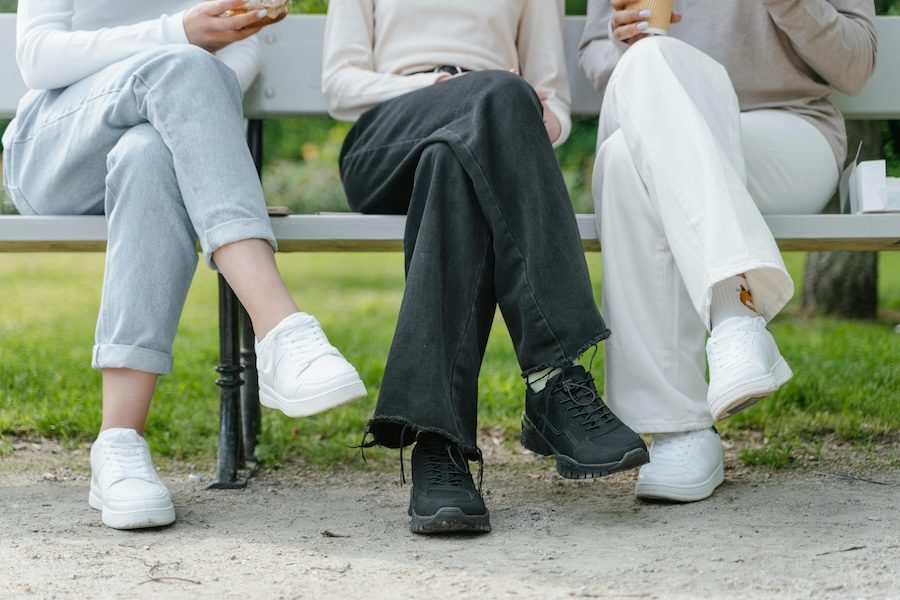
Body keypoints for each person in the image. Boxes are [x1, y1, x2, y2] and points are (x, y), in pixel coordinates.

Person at [2, 0, 367, 530]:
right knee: (184, 64)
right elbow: (37, 58)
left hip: (154, 138)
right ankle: (281, 328)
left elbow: (231, 67)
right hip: (54, 150)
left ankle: (118, 444)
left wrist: (189, 59)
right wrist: (177, 33)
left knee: (148, 154)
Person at [322, 0, 650, 534]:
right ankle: (554, 377)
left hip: (482, 135)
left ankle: (439, 444)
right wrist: (443, 87)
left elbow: (556, 103)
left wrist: (539, 118)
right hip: (384, 142)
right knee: (496, 95)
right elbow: (339, 85)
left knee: (452, 165)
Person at [578, 0, 877, 502]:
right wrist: (620, 40)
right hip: (650, 115)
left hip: (785, 131)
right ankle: (733, 319)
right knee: (646, 83)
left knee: (627, 159)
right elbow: (594, 53)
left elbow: (857, 65)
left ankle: (680, 428)